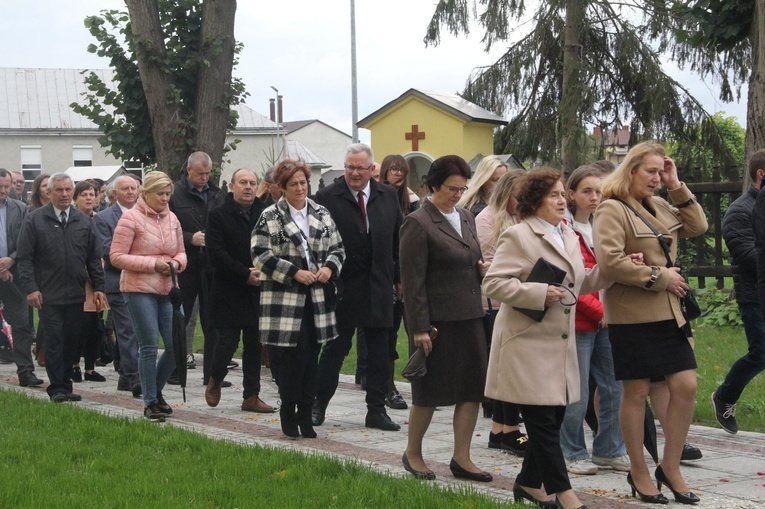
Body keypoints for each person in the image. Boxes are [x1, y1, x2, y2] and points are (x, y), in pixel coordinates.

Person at [484, 167, 607, 509]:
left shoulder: (566, 233)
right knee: (541, 423)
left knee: (552, 419)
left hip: (559, 344)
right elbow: (493, 284)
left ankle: (527, 484)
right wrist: (539, 292)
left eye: (562, 194)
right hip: (526, 343)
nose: (562, 200)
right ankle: (565, 495)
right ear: (535, 201)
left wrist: (610, 269)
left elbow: (580, 282)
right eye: (553, 195)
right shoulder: (519, 235)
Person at [593, 141, 707, 505]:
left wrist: (676, 183)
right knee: (637, 393)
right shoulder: (611, 208)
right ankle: (639, 470)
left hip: (669, 313)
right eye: (651, 172)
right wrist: (660, 276)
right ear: (631, 170)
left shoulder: (657, 203)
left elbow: (697, 224)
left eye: (661, 171)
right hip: (632, 314)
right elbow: (609, 262)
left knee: (685, 386)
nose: (657, 178)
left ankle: (669, 466)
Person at [400, 155, 493, 483]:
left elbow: (471, 260)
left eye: (462, 188)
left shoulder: (467, 216)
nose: (457, 194)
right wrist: (419, 328)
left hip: (470, 317)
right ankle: (413, 453)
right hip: (438, 324)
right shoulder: (419, 223)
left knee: (471, 390)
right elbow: (413, 282)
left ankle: (462, 457)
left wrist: (481, 271)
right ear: (433, 186)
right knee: (429, 392)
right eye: (452, 188)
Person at [312, 143, 403, 431]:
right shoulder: (327, 198)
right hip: (343, 287)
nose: (354, 173)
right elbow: (318, 242)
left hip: (379, 285)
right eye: (349, 167)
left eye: (360, 168)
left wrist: (398, 277)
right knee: (335, 350)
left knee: (379, 352)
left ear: (371, 169)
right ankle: (318, 405)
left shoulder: (387, 196)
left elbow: (398, 241)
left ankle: (376, 410)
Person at [252, 159, 344, 438]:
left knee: (313, 357)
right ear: (281, 188)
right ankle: (289, 408)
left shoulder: (321, 212)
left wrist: (329, 267)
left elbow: (338, 248)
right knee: (293, 358)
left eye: (303, 182)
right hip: (285, 300)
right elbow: (260, 255)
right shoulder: (270, 216)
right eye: (294, 184)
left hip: (317, 299)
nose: (300, 188)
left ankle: (307, 410)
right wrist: (294, 273)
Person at [560, 165, 629, 475]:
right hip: (578, 321)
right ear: (571, 194)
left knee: (615, 387)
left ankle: (609, 449)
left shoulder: (604, 225)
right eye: (587, 191)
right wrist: (599, 313)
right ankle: (572, 451)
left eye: (599, 191)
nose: (595, 197)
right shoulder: (563, 229)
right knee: (578, 392)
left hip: (609, 319)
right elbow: (569, 280)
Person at [16, 173, 106, 403]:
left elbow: (94, 258)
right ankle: (56, 387)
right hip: (48, 294)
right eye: (59, 190)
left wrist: (99, 287)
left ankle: (65, 384)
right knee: (55, 340)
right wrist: (31, 288)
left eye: (68, 190)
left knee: (72, 340)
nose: (64, 194)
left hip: (76, 293)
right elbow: (25, 258)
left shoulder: (82, 221)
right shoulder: (35, 220)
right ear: (50, 192)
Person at [111, 171, 187, 421]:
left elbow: (182, 253)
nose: (165, 199)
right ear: (146, 194)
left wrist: (175, 263)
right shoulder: (130, 218)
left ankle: (154, 390)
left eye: (168, 194)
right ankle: (150, 401)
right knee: (149, 346)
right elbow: (116, 257)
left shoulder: (173, 218)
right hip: (138, 289)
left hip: (168, 289)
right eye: (160, 194)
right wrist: (153, 265)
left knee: (177, 345)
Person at [204, 168, 275, 413]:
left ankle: (251, 395)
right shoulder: (218, 215)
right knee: (227, 343)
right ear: (232, 186)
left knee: (255, 344)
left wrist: (262, 272)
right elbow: (216, 253)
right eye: (242, 182)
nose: (248, 187)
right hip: (229, 288)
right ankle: (215, 378)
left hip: (259, 289)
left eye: (252, 183)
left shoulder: (265, 214)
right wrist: (244, 274)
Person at [474, 169, 527, 456]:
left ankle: (501, 430)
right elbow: (492, 266)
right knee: (506, 368)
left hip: (522, 300)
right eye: (521, 196)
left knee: (514, 367)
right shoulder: (488, 220)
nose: (525, 201)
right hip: (495, 304)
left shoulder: (524, 218)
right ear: (507, 193)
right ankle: (508, 431)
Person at [713, 149, 765, 434]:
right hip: (755, 296)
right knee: (761, 354)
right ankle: (724, 397)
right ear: (761, 174)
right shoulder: (739, 211)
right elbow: (751, 257)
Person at [168, 151, 223, 386]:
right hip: (186, 265)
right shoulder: (175, 194)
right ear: (188, 170)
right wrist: (191, 238)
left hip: (211, 266)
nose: (204, 178)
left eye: (207, 173)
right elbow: (168, 228)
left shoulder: (217, 194)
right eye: (200, 173)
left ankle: (211, 375)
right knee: (181, 318)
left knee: (213, 322)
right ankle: (174, 370)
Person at [377, 154, 420, 410]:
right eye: (393, 169)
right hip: (390, 278)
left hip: (412, 275)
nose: (398, 174)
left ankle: (421, 386)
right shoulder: (379, 198)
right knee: (388, 336)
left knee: (417, 332)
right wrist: (396, 279)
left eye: (402, 170)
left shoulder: (412, 202)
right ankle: (388, 388)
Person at [93, 175, 141, 397]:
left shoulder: (145, 214)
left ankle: (125, 376)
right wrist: (141, 257)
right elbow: (107, 252)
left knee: (139, 330)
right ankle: (133, 376)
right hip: (118, 281)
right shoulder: (103, 218)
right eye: (126, 188)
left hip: (143, 281)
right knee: (128, 330)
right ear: (114, 193)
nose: (131, 192)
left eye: (134, 188)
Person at [0, 169, 43, 386]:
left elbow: (26, 242)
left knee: (22, 325)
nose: (4, 191)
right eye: (0, 187)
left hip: (13, 276)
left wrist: (11, 260)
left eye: (6, 186)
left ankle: (25, 372)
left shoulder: (19, 208)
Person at [70, 180, 107, 383]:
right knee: (80, 324)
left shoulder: (100, 219)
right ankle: (74, 364)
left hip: (98, 277)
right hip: (79, 278)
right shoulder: (72, 220)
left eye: (92, 194)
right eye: (84, 194)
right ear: (76, 199)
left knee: (96, 324)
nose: (89, 198)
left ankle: (91, 367)